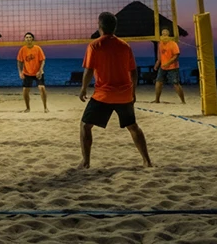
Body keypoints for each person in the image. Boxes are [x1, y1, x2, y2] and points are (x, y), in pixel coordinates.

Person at [78, 12, 152, 169]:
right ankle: (147, 161)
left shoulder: (95, 45)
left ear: (100, 26)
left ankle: (86, 162)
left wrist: (83, 88)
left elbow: (89, 70)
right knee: (133, 126)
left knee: (85, 126)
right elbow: (133, 72)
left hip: (103, 95)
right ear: (115, 27)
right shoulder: (125, 46)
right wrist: (133, 92)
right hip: (124, 94)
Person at [16, 32, 48, 113]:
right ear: (25, 39)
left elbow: (43, 60)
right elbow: (19, 62)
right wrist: (20, 72)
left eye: (30, 37)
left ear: (32, 39)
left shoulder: (37, 48)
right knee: (25, 91)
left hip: (38, 72)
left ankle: (45, 107)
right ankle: (28, 108)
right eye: (26, 37)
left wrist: (40, 70)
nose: (28, 39)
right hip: (27, 73)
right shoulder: (22, 49)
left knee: (42, 88)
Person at [153, 28, 185, 104]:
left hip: (173, 67)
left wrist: (168, 63)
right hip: (163, 67)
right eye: (162, 34)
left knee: (175, 83)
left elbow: (176, 55)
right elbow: (160, 55)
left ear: (168, 35)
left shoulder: (173, 44)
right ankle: (157, 100)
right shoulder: (160, 43)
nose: (164, 35)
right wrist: (157, 63)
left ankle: (183, 101)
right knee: (158, 82)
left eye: (165, 34)